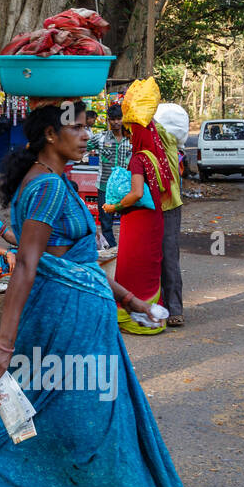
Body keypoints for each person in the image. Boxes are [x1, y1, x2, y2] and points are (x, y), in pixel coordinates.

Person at [0, 99, 199, 487]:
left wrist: (132, 300)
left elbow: (80, 261)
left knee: (57, 419)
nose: (87, 135)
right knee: (83, 421)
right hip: (60, 325)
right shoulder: (46, 189)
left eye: (87, 127)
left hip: (79, 324)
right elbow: (26, 262)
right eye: (78, 128)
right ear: (49, 135)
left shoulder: (56, 182)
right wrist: (4, 344)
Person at [103, 112, 170, 336]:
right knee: (150, 267)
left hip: (138, 219)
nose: (130, 139)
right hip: (154, 219)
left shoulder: (138, 159)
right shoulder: (156, 157)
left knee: (131, 267)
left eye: (131, 134)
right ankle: (155, 317)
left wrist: (115, 207)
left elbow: (136, 193)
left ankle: (131, 319)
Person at [87, 104, 131, 247]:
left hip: (126, 190)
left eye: (119, 119)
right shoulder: (100, 138)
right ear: (108, 120)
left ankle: (126, 250)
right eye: (113, 119)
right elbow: (82, 146)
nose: (116, 122)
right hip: (104, 188)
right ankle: (112, 250)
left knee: (128, 222)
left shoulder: (131, 139)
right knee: (106, 223)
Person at [157, 122, 186, 327]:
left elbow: (159, 130)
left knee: (169, 258)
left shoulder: (168, 146)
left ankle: (175, 308)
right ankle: (159, 305)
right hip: (151, 209)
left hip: (169, 207)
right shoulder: (146, 153)